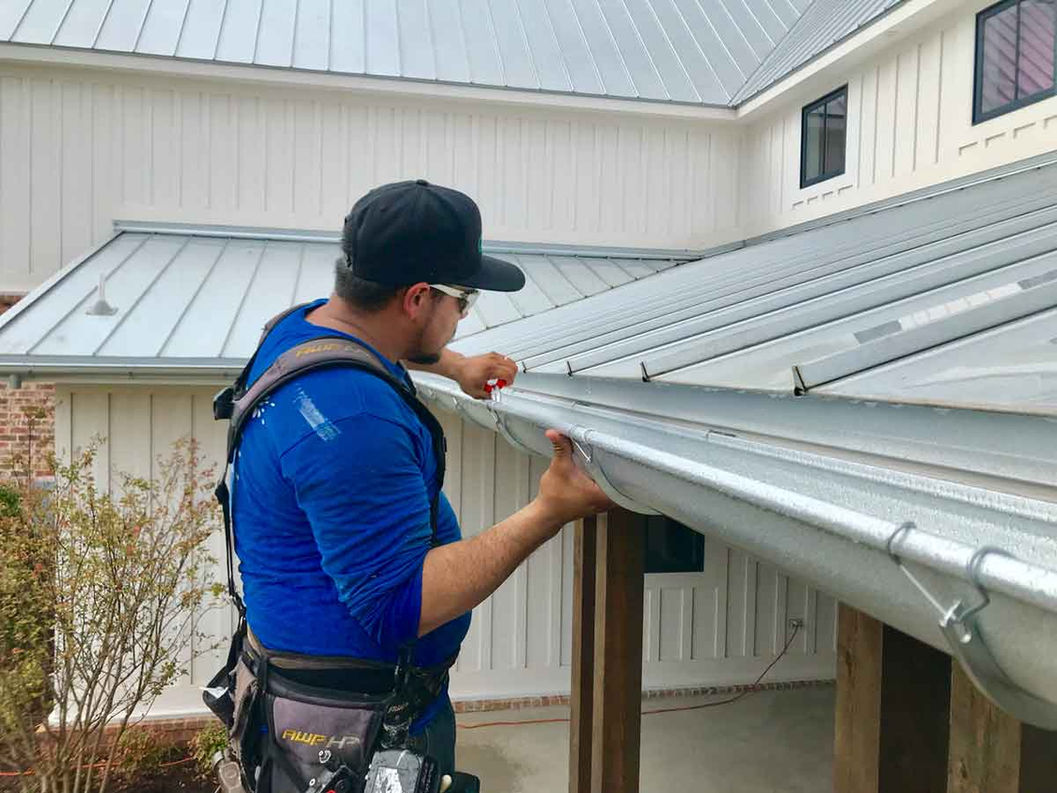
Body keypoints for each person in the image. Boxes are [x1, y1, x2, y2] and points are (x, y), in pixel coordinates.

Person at [231, 179, 613, 780]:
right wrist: (550, 510)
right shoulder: (352, 418)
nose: (463, 316)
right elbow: (400, 606)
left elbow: (373, 341)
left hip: (313, 691)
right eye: (464, 300)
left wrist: (456, 366)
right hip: (355, 727)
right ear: (416, 298)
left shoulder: (301, 329)